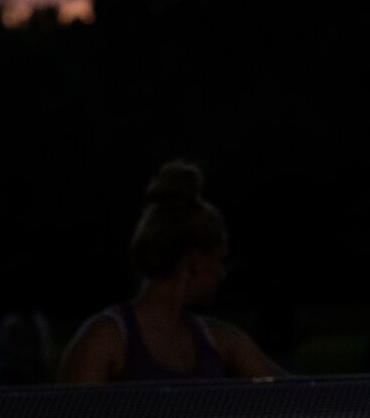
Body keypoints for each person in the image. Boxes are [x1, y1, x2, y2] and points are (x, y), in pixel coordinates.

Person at [57, 161, 282, 384]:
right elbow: (68, 417)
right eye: (218, 260)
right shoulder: (106, 338)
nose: (221, 273)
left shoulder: (219, 340)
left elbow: (297, 391)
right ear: (195, 260)